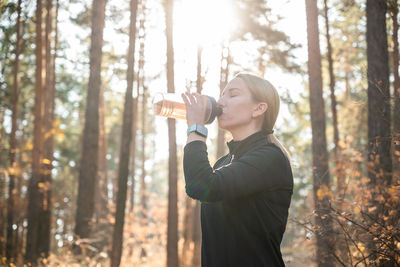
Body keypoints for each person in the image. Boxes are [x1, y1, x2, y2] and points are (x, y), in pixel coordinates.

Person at [181, 73, 294, 267]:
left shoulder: (270, 158)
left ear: (259, 108)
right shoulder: (223, 163)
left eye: (232, 95)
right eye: (222, 95)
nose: (221, 102)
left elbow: (201, 185)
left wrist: (196, 128)